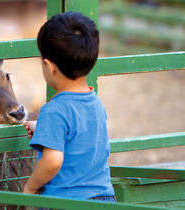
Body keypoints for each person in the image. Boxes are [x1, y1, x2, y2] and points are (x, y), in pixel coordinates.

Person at [23, 11, 116, 204]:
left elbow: (53, 161)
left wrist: (31, 186)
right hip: (105, 198)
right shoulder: (96, 103)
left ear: (49, 66)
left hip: (66, 202)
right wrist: (42, 129)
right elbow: (78, 137)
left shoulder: (53, 110)